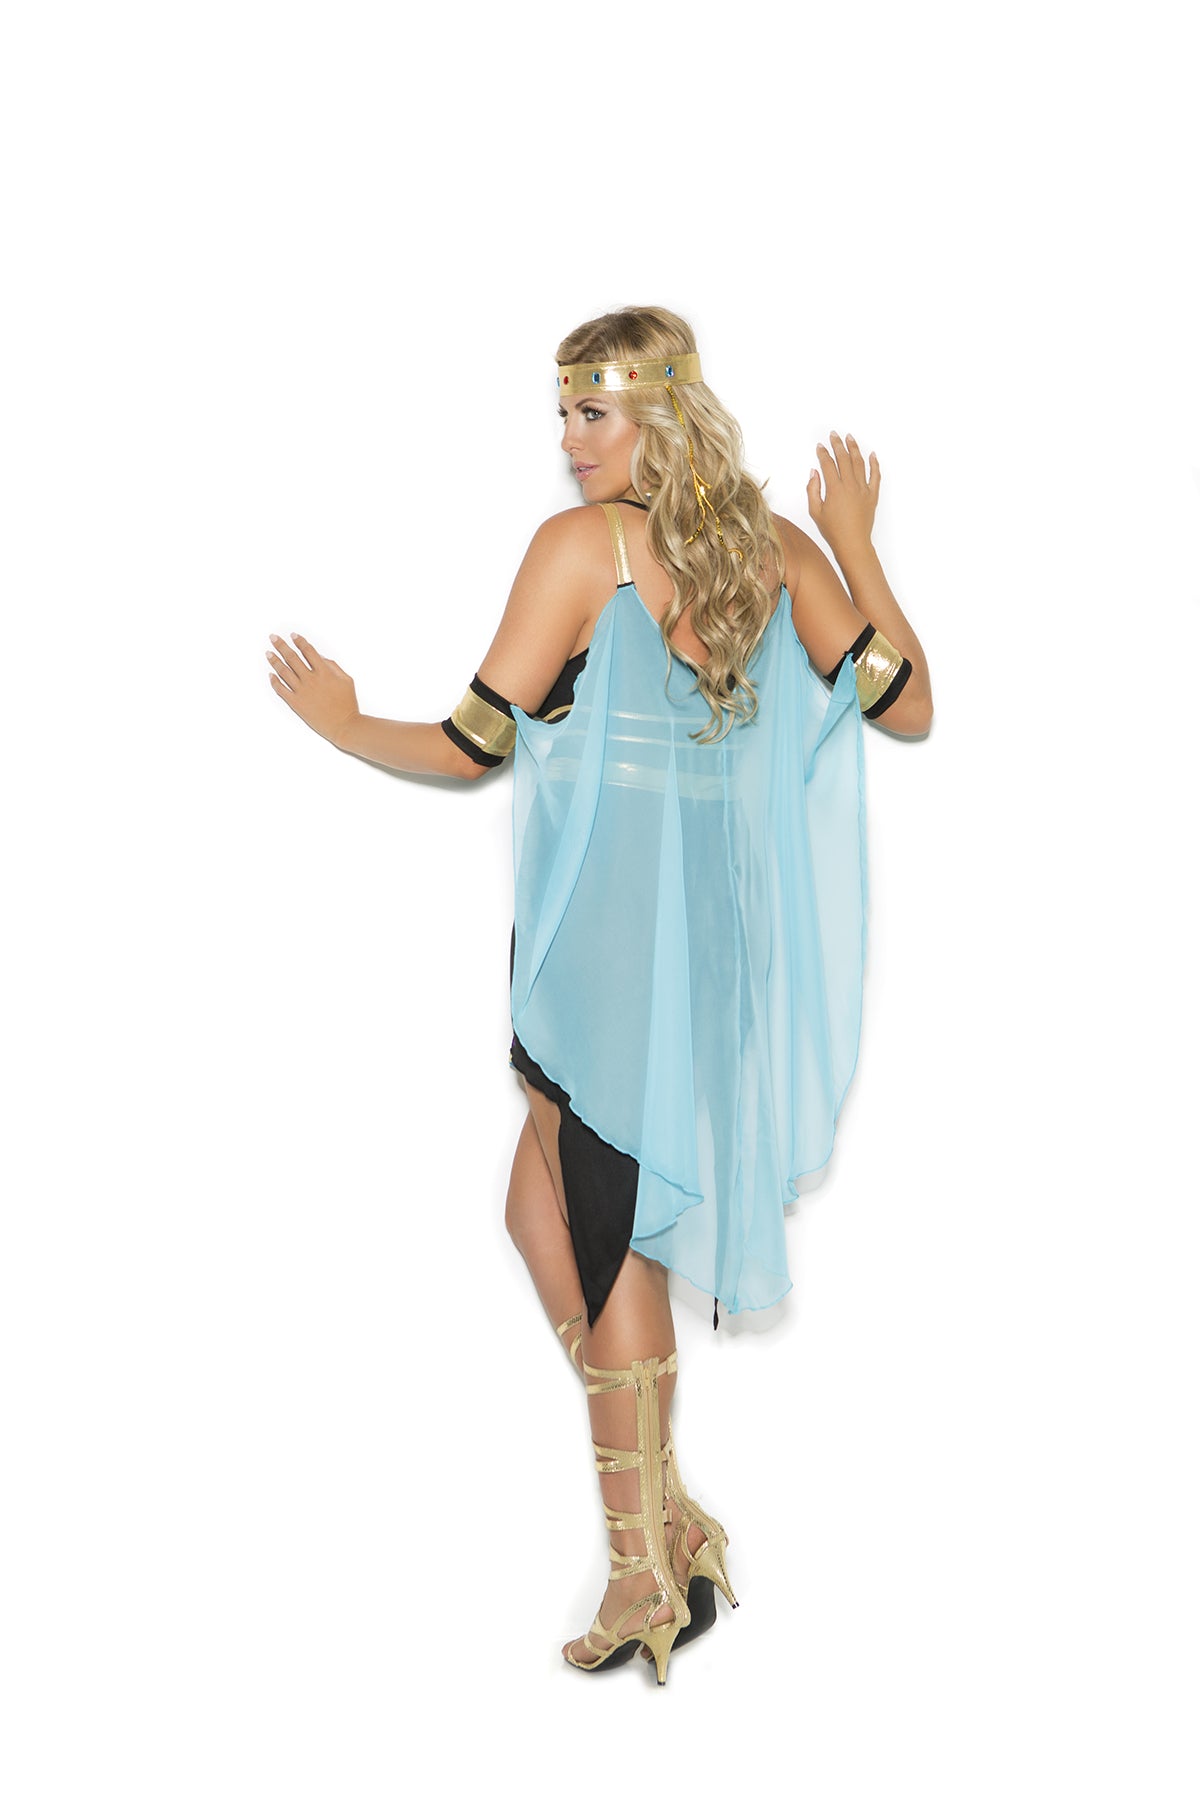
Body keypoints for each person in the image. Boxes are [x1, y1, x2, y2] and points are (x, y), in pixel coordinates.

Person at [265, 306, 932, 1684]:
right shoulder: (772, 550)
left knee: (610, 1240)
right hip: (712, 948)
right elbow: (905, 702)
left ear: (661, 412)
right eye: (564, 414)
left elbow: (472, 744)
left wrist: (342, 723)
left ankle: (641, 1576)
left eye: (593, 413)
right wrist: (853, 543)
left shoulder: (583, 549)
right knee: (541, 1210)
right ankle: (669, 1508)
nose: (569, 442)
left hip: (610, 950)